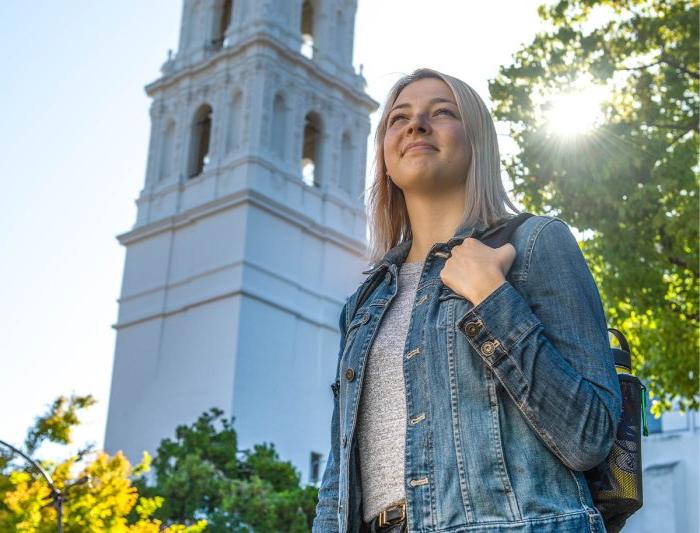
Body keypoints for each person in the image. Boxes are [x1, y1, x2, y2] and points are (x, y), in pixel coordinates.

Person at [312, 67, 622, 533]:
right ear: (385, 160)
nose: (417, 125)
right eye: (400, 118)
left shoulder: (535, 245)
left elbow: (590, 436)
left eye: (442, 112)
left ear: (476, 141)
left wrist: (491, 298)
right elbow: (339, 475)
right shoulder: (363, 305)